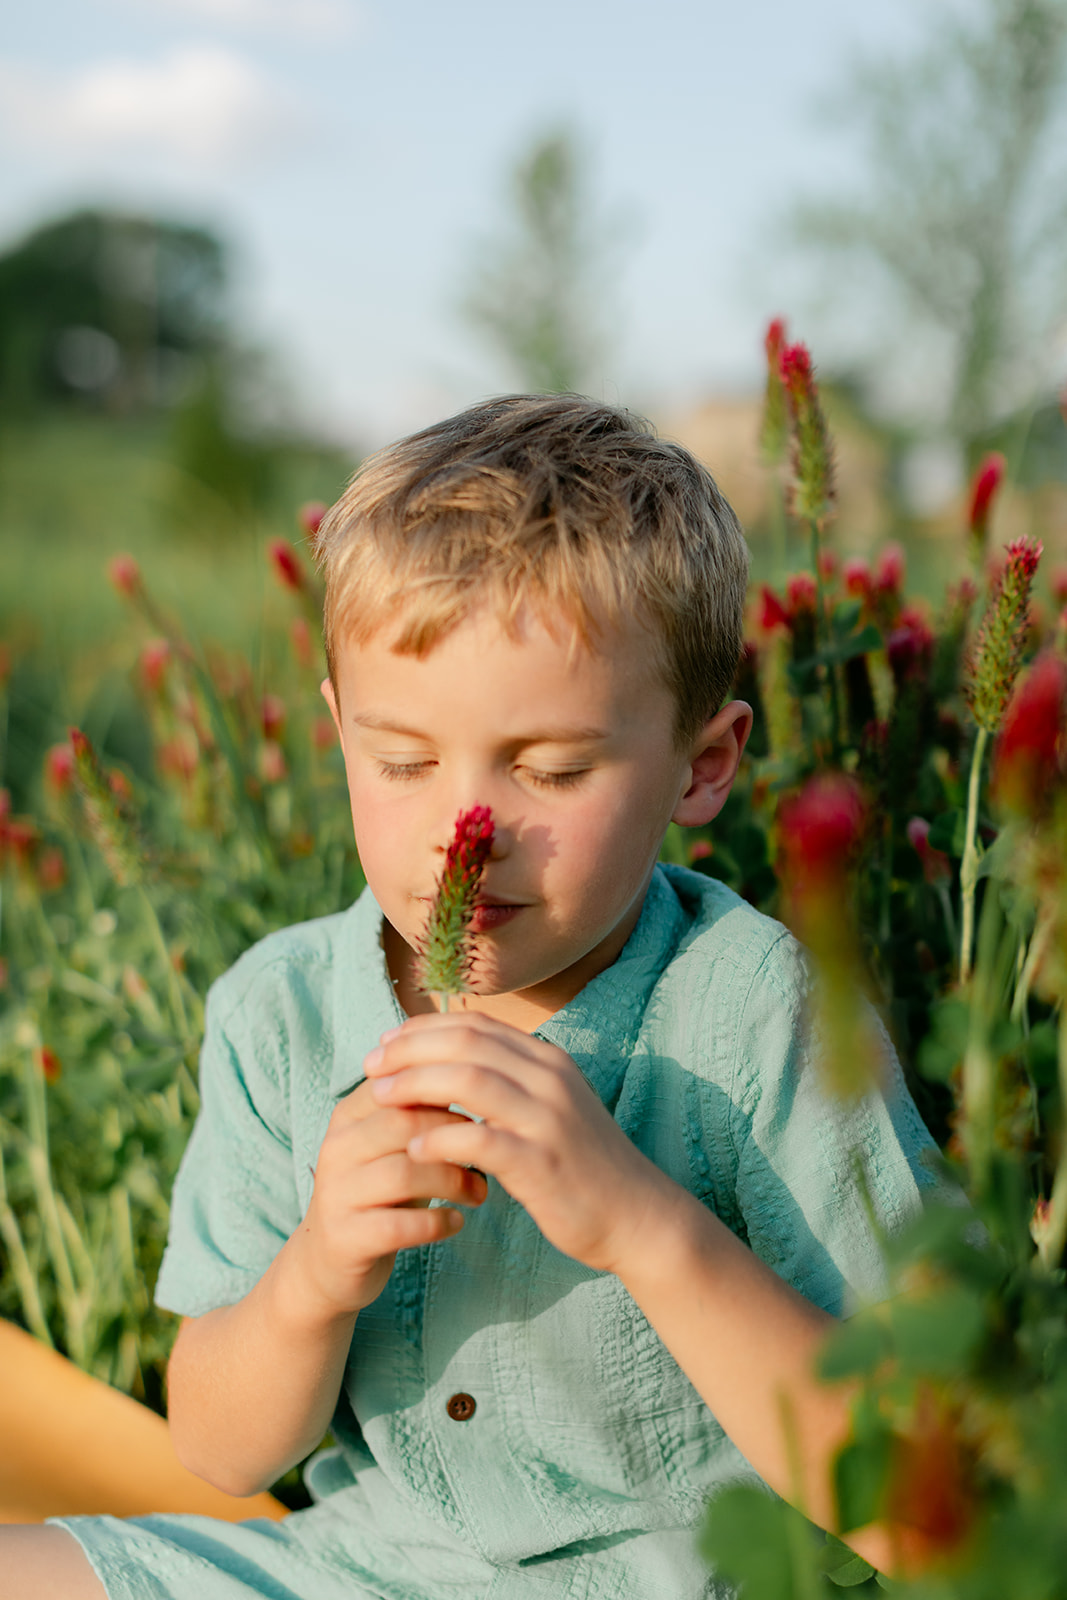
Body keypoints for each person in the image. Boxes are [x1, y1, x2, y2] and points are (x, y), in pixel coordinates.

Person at [5, 395, 944, 1599]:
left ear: (700, 764)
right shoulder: (281, 1013)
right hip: (368, 1571)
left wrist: (643, 1227)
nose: (467, 831)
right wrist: (312, 1276)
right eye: (401, 761)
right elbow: (220, 1449)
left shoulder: (757, 1014)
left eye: (551, 767)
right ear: (339, 730)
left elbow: (926, 1521)